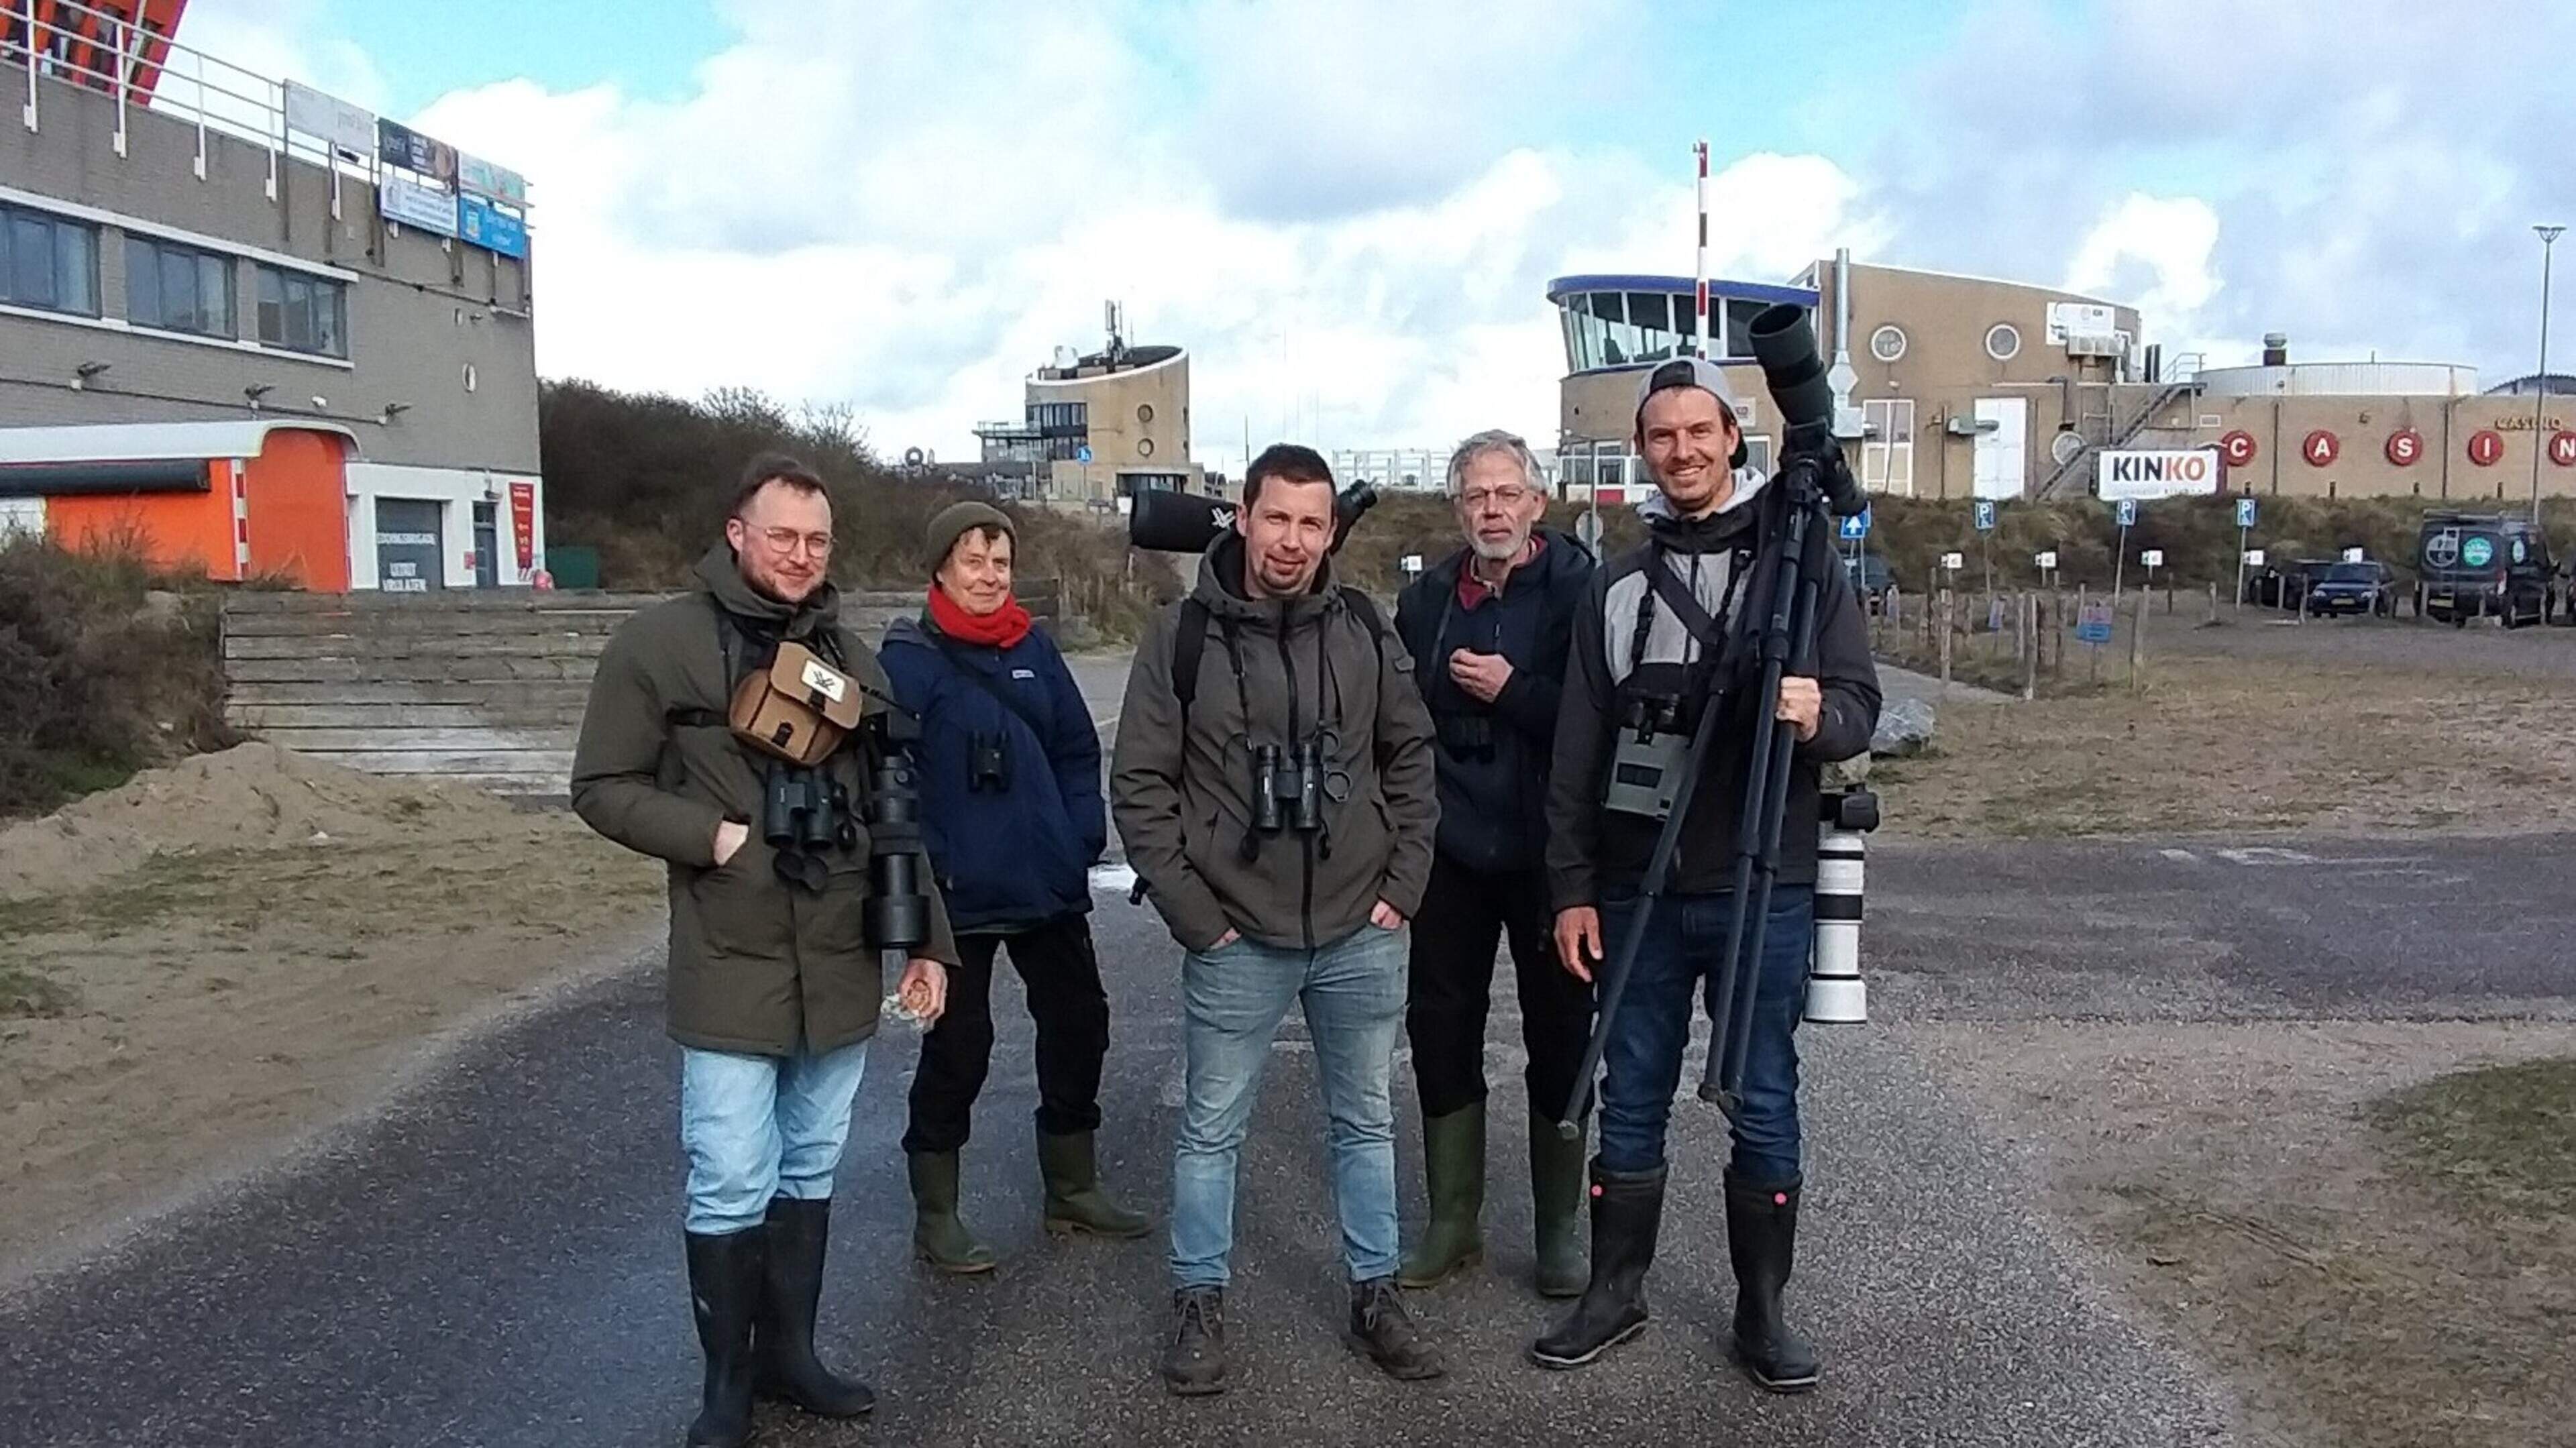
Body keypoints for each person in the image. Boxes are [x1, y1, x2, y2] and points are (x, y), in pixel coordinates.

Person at [571, 453, 959, 1448]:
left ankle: (793, 1356)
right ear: (737, 532)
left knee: (811, 1165)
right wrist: (718, 837)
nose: (801, 555)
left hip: (838, 951)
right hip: (730, 952)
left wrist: (928, 947)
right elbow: (602, 784)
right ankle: (726, 1386)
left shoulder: (851, 653)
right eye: (782, 534)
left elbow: (899, 813)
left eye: (818, 539)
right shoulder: (658, 644)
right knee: (731, 1171)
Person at [1532, 359, 1880, 1391]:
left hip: (1759, 886)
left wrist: (1819, 716)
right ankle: (1616, 1289)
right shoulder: (1618, 588)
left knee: (1762, 1093)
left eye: (1699, 432)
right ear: (1644, 451)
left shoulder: (1803, 570)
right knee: (1629, 1094)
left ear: (1735, 440)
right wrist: (1571, 887)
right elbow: (1575, 756)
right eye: (1661, 437)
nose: (1681, 451)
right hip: (1637, 888)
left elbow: (1861, 704)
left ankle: (1762, 1309)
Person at [1111, 444, 1444, 1396]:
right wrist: (1193, 913)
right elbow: (1139, 785)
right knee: (1211, 1127)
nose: (1294, 540)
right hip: (1234, 932)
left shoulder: (1364, 626)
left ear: (1330, 528)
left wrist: (1403, 885)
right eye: (1278, 517)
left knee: (1366, 1119)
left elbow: (1411, 754)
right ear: (1244, 517)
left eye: (1313, 521)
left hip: (1361, 926)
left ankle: (1375, 1292)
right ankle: (1198, 1298)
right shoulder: (1178, 635)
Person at [879, 502, 1148, 1273]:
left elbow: (1072, 745)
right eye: (974, 561)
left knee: (1079, 1023)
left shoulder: (1036, 645)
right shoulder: (907, 661)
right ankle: (937, 1210)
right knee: (960, 1049)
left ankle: (1072, 1186)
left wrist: (1080, 839)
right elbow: (891, 779)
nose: (991, 576)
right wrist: (920, 877)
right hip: (955, 894)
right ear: (941, 568)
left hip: (1045, 882)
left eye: (1001, 562)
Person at [1389, 429, 1597, 1298]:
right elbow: (1396, 722)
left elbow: (1600, 722)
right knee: (1440, 1029)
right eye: (1476, 495)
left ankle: (1558, 1233)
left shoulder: (1584, 589)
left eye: (1507, 493)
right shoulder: (1427, 598)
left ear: (1537, 503)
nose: (1492, 510)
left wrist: (1513, 689)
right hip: (1452, 848)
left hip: (1552, 853)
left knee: (1560, 1034)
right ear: (1457, 508)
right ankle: (1452, 1222)